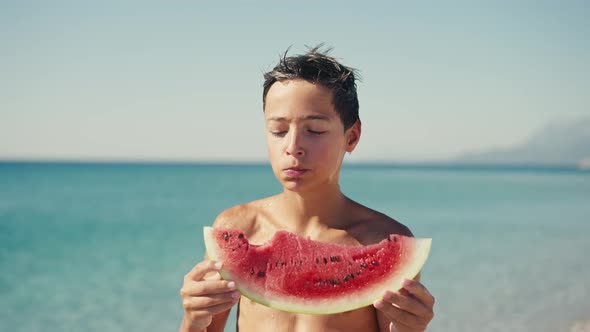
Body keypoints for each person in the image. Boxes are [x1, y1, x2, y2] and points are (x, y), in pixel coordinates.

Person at [179, 46, 435, 332]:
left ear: (352, 137)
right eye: (278, 131)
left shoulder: (383, 239)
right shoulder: (237, 228)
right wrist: (192, 319)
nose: (292, 147)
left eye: (314, 131)